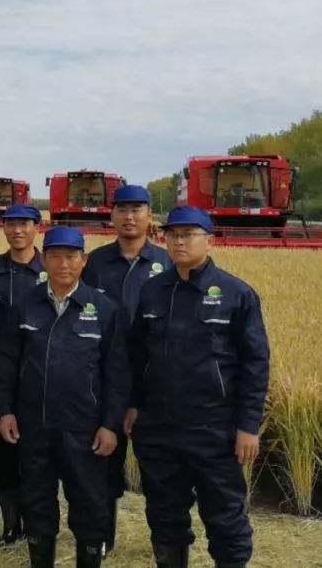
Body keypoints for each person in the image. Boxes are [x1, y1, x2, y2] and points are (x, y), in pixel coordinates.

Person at [125, 206, 271, 568]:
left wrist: (248, 426)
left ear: (210, 240)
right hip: (159, 428)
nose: (179, 241)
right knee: (164, 514)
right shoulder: (153, 290)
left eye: (189, 234)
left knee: (225, 516)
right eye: (173, 235)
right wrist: (132, 404)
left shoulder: (236, 294)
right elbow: (136, 355)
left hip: (214, 429)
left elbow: (255, 364)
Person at [0, 226, 128, 568]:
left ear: (84, 260)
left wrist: (110, 425)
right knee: (37, 503)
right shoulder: (25, 306)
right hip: (34, 426)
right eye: (55, 256)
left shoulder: (104, 309)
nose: (63, 264)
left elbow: (117, 374)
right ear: (43, 260)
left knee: (90, 505)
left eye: (71, 256)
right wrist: (6, 410)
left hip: (84, 429)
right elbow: (7, 362)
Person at [81, 184, 171, 554]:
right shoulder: (94, 264)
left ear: (150, 215)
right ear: (112, 216)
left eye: (137, 209)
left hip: (155, 385)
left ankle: (166, 545)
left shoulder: (169, 263)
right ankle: (102, 539)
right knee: (103, 465)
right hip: (103, 383)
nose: (129, 217)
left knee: (160, 472)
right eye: (122, 209)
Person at [0, 202, 44, 545]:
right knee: (3, 455)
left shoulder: (52, 267)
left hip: (40, 374)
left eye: (24, 224)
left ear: (37, 227)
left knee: (36, 457)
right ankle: (11, 526)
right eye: (11, 224)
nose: (17, 230)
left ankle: (36, 524)